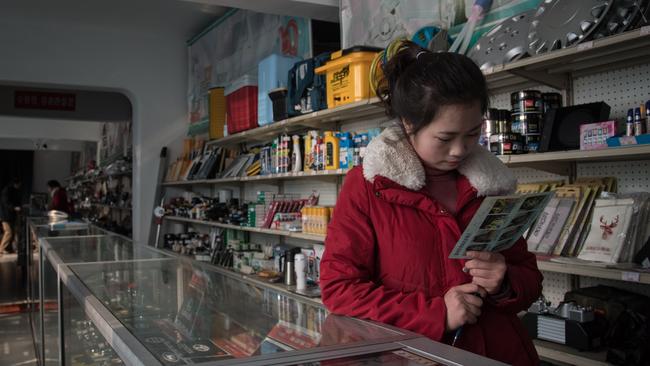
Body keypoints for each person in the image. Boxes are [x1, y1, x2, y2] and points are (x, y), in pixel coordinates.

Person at [319, 40, 543, 366]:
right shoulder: (368, 187)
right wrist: (435, 314)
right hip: (415, 354)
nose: (459, 150)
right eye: (445, 138)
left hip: (499, 354)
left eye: (472, 134)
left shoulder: (492, 185)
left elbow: (530, 279)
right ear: (410, 125)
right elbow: (340, 289)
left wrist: (504, 281)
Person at [0, 178, 22, 256]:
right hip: (5, 215)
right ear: (16, 183)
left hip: (12, 216)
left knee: (12, 233)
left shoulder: (15, 191)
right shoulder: (6, 190)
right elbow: (6, 203)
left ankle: (8, 248)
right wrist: (14, 208)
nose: (20, 186)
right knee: (8, 232)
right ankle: (1, 249)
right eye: (19, 184)